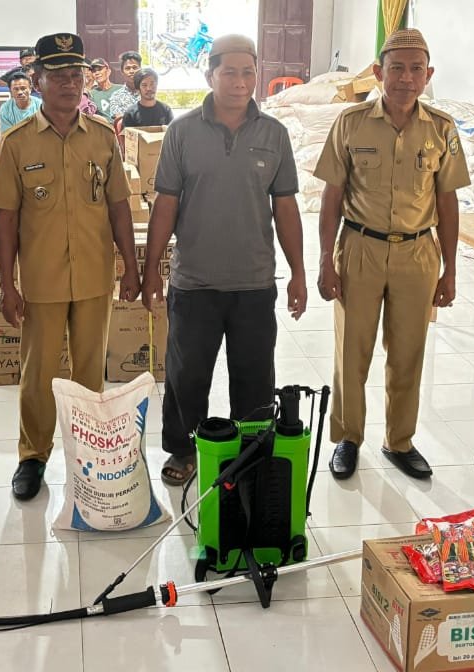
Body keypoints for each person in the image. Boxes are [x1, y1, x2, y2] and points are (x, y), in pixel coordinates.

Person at [140, 35, 305, 485]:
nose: (239, 81)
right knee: (186, 375)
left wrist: (299, 273)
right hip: (194, 283)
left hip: (253, 283)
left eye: (248, 72)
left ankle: (249, 454)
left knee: (254, 378)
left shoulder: (274, 134)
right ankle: (182, 449)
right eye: (229, 72)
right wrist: (152, 269)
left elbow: (285, 208)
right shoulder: (183, 132)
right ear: (209, 75)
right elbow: (166, 204)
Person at [315, 29, 470, 481]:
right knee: (353, 349)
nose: (406, 78)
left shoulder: (441, 128)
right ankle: (348, 437)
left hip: (419, 253)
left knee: (408, 351)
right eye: (396, 68)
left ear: (429, 75)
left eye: (416, 68)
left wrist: (451, 268)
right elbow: (332, 195)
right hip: (360, 247)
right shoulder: (351, 122)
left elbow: (448, 201)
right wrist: (326, 259)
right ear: (379, 73)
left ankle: (399, 441)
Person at [0, 32, 139, 500]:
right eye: (58, 76)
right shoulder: (16, 143)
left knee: (90, 371)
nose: (69, 84)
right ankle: (33, 456)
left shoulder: (101, 138)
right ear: (38, 81)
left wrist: (131, 265)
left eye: (76, 75)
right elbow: (6, 220)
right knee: (37, 373)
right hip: (42, 279)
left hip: (95, 274)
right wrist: (8, 285)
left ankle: (89, 455)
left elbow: (119, 207)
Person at [108, 51, 142, 119]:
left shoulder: (147, 92)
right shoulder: (116, 96)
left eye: (135, 68)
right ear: (122, 72)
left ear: (140, 69)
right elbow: (119, 120)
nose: (131, 71)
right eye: (127, 68)